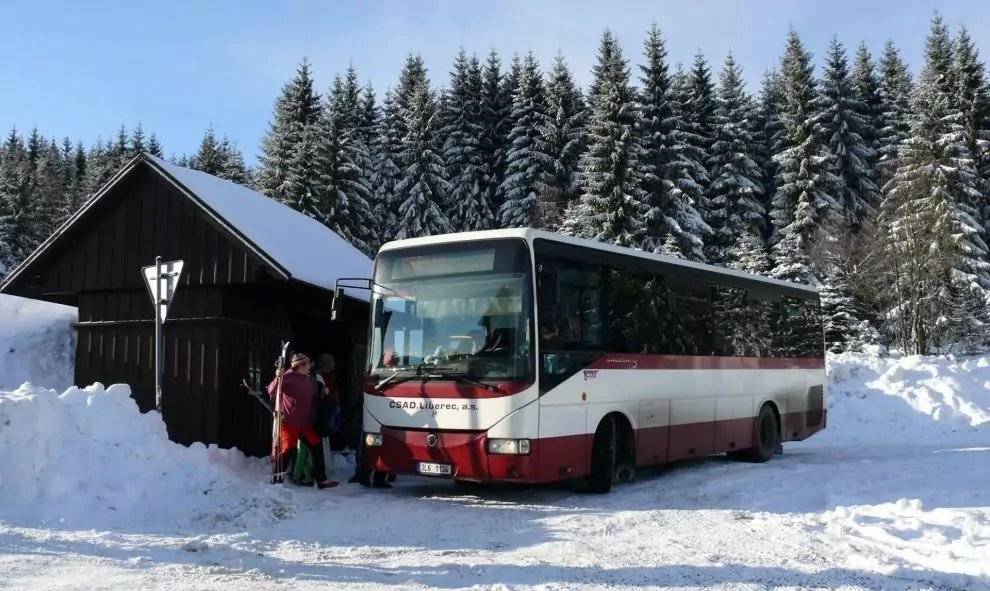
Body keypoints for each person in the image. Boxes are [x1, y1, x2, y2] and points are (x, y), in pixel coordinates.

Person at [268, 353, 338, 489]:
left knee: (316, 445)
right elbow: (271, 390)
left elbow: (312, 397)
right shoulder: (287, 377)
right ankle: (277, 479)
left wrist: (323, 392)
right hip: (290, 422)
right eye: (307, 364)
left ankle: (321, 480)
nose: (310, 366)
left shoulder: (307, 379)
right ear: (300, 366)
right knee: (288, 449)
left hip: (306, 423)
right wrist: (278, 377)